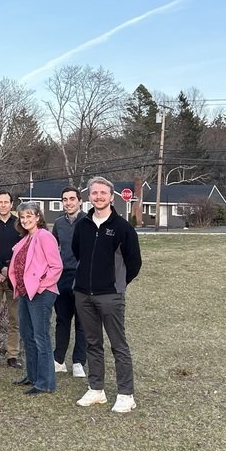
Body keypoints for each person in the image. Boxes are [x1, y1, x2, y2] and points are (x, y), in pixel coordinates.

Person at [72, 176, 142, 413]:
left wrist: (117, 284)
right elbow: (77, 252)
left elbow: (134, 263)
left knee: (118, 345)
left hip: (110, 295)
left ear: (112, 197)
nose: (98, 197)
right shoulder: (82, 225)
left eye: (103, 193)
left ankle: (125, 394)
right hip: (83, 295)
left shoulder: (123, 228)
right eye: (94, 193)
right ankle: (96, 389)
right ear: (89, 197)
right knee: (93, 343)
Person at [8, 202, 62, 395]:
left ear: (38, 217)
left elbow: (56, 266)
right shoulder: (25, 239)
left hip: (41, 294)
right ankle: (32, 376)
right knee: (27, 336)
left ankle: (45, 382)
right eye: (22, 217)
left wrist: (41, 286)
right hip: (24, 293)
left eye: (29, 216)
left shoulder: (45, 236)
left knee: (41, 337)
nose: (25, 220)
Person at [52, 187, 88, 378]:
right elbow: (52, 249)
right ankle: (58, 360)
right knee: (62, 320)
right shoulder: (58, 223)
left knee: (82, 322)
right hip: (62, 278)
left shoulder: (88, 221)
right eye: (65, 199)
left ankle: (78, 362)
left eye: (72, 199)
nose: (68, 202)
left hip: (83, 277)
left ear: (80, 201)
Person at [0, 190, 23, 368]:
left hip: (15, 276)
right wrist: (0, 268)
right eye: (0, 202)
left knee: (15, 318)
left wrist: (9, 269)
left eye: (6, 202)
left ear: (11, 204)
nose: (3, 205)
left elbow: (21, 250)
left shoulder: (19, 225)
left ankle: (12, 355)